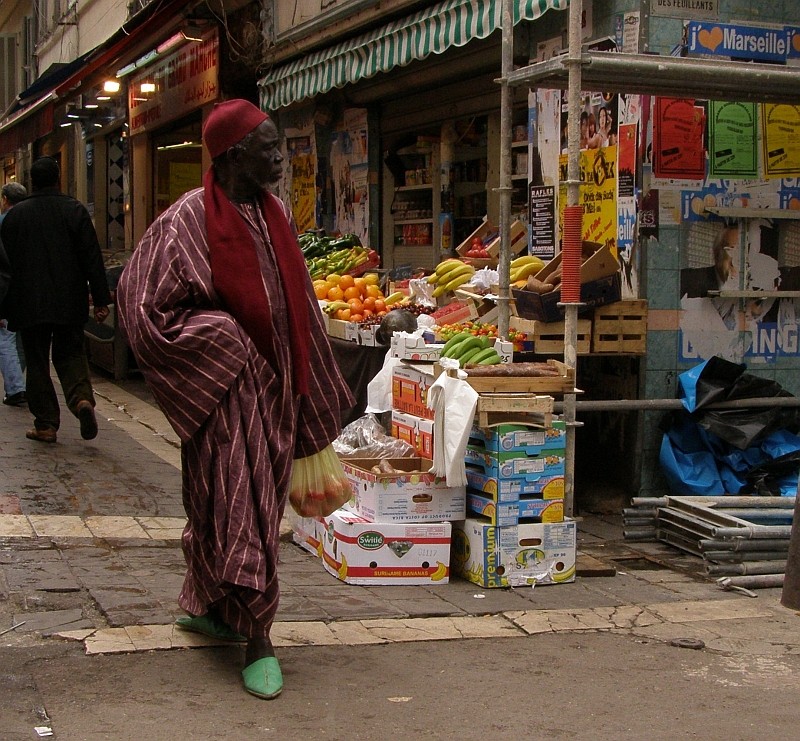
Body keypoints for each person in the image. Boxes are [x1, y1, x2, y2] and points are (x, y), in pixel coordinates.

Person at [115, 99, 353, 700]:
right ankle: (258, 638)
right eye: (267, 147)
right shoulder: (187, 219)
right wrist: (224, 344)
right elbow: (141, 306)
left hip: (275, 398)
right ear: (230, 156)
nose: (278, 156)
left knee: (241, 507)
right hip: (224, 396)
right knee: (232, 506)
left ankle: (213, 607)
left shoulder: (274, 214)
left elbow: (295, 301)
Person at [0, 157, 111, 443]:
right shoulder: (74, 210)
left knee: (37, 360)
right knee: (70, 354)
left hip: (29, 301)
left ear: (32, 181)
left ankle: (46, 424)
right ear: (58, 179)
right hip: (68, 298)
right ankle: (81, 400)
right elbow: (92, 258)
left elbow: (4, 267)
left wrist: (3, 305)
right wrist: (100, 299)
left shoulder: (15, 216)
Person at [0, 182, 28, 406]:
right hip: (29, 289)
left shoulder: (3, 222)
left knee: (5, 337)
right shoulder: (32, 220)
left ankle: (16, 387)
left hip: (7, 289)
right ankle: (19, 384)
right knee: (20, 338)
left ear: (5, 199)